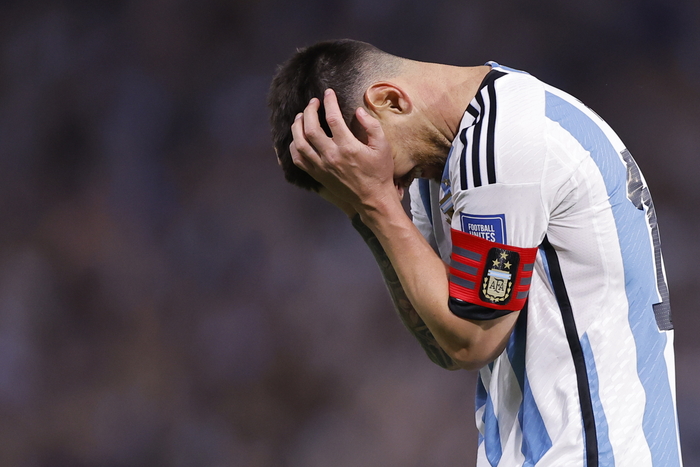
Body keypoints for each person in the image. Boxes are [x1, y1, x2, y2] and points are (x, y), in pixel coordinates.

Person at [267, 39, 683, 466]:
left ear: (390, 100)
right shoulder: (444, 160)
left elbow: (473, 340)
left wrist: (376, 204)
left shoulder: (506, 141)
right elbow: (443, 343)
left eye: (381, 169)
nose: (392, 186)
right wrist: (363, 211)